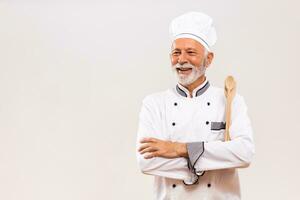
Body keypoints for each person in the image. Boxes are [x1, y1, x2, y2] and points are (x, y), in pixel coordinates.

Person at [136, 11, 255, 200]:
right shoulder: (154, 104)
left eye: (191, 52)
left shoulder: (231, 100)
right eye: (176, 52)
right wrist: (218, 155)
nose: (182, 59)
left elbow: (244, 153)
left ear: (209, 59)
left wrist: (178, 149)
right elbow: (146, 162)